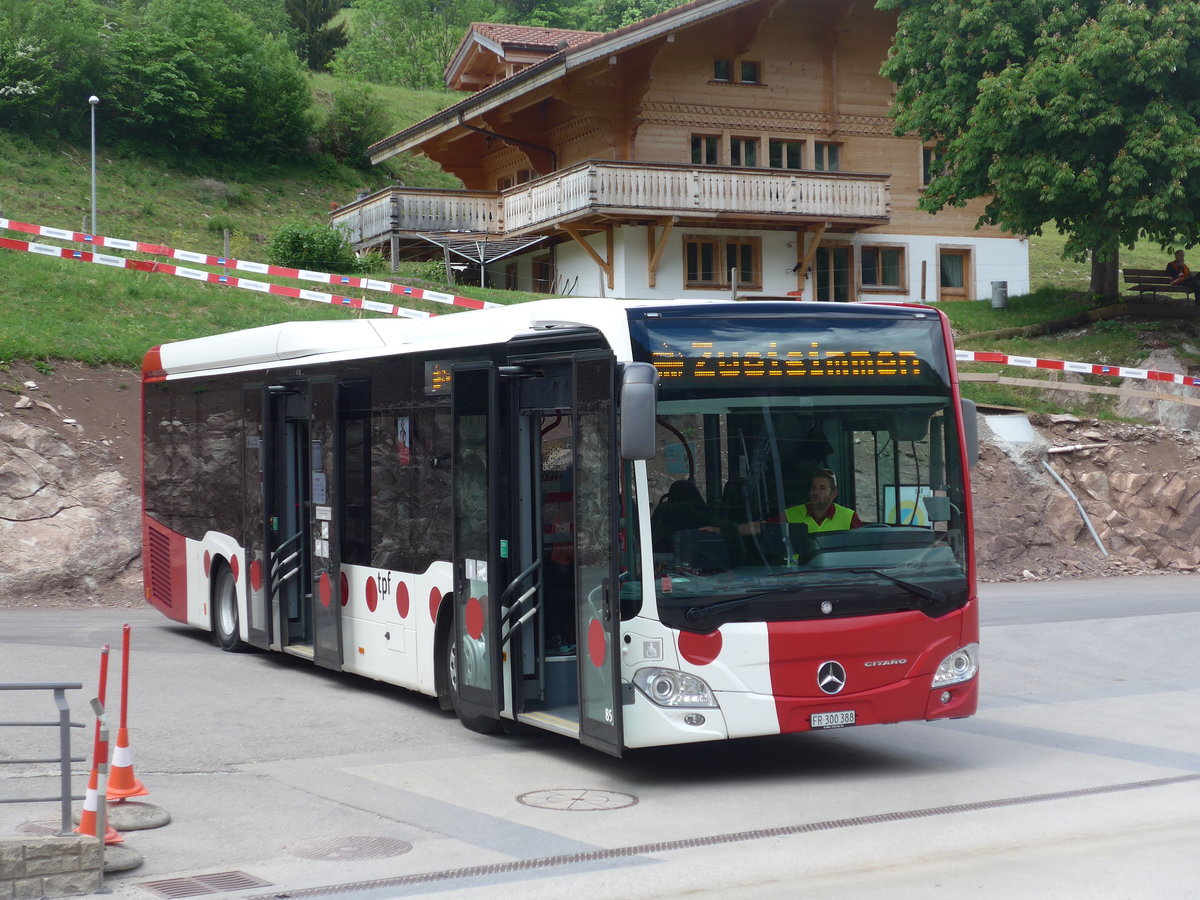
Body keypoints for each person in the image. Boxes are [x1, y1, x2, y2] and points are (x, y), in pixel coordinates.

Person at [741, 469, 862, 535]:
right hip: (797, 576)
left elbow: (863, 549)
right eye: (813, 487)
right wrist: (728, 530)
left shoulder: (849, 517)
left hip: (838, 578)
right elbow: (761, 527)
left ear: (834, 493)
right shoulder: (791, 514)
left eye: (822, 488)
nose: (815, 492)